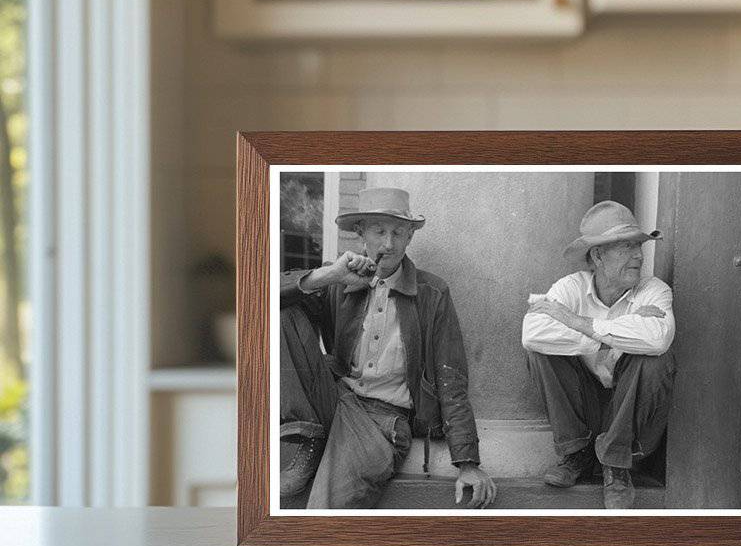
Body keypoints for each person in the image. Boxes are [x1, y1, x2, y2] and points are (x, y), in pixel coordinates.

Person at [279, 186, 496, 510]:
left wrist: (467, 462)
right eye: (379, 231)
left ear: (409, 237)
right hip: (333, 397)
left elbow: (451, 378)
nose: (389, 243)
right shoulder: (339, 281)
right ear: (360, 232)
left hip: (381, 421)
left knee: (324, 514)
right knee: (284, 310)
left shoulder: (432, 293)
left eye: (398, 232)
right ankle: (304, 438)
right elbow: (262, 297)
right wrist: (330, 275)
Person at [521, 201, 676, 509]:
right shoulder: (570, 287)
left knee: (655, 359)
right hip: (585, 408)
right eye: (626, 248)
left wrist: (579, 323)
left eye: (638, 247)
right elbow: (532, 333)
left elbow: (658, 340)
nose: (638, 256)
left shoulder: (655, 290)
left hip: (632, 416)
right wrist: (613, 336)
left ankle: (616, 465)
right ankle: (576, 452)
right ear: (597, 256)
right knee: (540, 352)